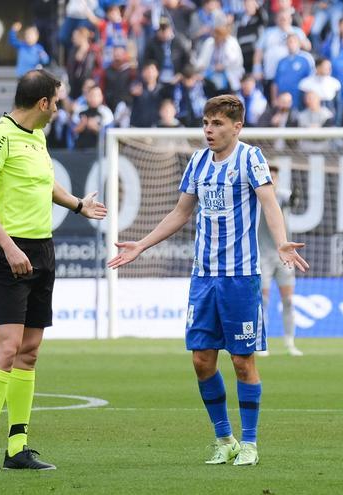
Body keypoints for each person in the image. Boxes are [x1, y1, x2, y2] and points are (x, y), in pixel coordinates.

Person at [108, 94, 309, 467]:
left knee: (242, 361)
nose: (208, 130)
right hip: (203, 276)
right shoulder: (198, 162)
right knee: (202, 360)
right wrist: (142, 245)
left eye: (216, 124)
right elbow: (181, 212)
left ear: (237, 127)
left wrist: (281, 243)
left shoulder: (250, 158)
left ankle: (249, 443)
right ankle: (224, 439)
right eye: (205, 123)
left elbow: (269, 203)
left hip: (241, 276)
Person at [0, 69, 107, 472]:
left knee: (29, 353)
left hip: (42, 249)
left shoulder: (37, 137)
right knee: (7, 348)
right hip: (7, 251)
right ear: (43, 103)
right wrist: (8, 246)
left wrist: (77, 204)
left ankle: (19, 448)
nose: (59, 108)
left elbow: (43, 185)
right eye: (57, 101)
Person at [256, 164, 302, 356]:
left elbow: (291, 200)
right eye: (269, 178)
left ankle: (290, 343)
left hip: (284, 256)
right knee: (263, 301)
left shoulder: (281, 196)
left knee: (289, 300)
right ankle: (261, 342)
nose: (272, 181)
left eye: (274, 178)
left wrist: (296, 195)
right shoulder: (257, 196)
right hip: (263, 256)